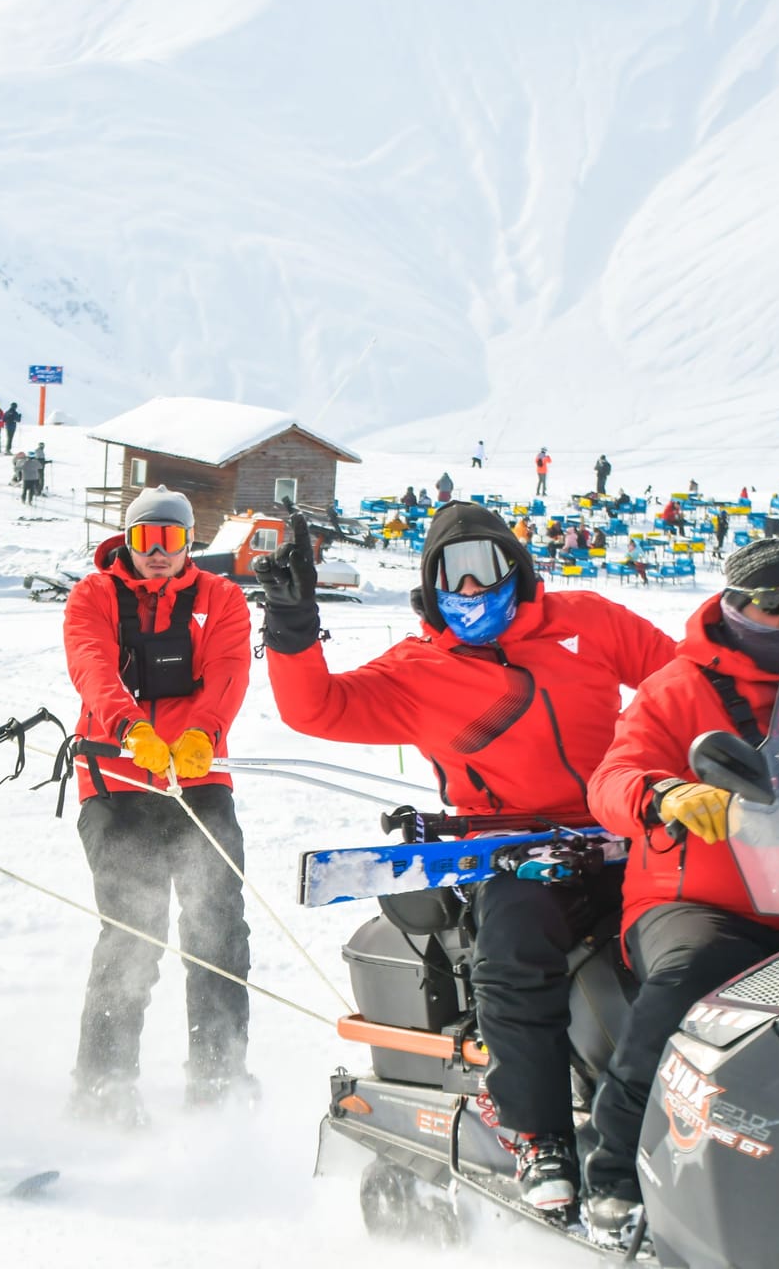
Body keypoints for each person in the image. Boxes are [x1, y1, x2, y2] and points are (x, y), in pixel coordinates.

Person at [255, 502, 675, 1215]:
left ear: (517, 568)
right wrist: (293, 625)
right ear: (430, 585)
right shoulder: (419, 669)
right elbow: (316, 709)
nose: (472, 591)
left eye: (486, 567)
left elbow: (683, 683)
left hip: (624, 828)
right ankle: (539, 1134)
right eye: (453, 574)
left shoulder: (588, 623)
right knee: (513, 948)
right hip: (510, 855)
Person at [582, 539, 779, 1239]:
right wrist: (664, 793)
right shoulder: (677, 688)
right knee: (692, 976)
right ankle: (613, 1172)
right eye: (773, 603)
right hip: (700, 902)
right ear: (734, 605)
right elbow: (610, 780)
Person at [62, 486, 255, 1126]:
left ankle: (218, 1077)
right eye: (146, 539)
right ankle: (102, 1090)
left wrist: (203, 733)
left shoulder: (221, 598)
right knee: (134, 932)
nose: (158, 554)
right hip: (117, 782)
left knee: (218, 929)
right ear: (129, 540)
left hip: (199, 778)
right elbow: (91, 664)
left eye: (171, 540)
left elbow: (228, 670)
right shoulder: (93, 596)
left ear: (189, 543)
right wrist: (127, 730)